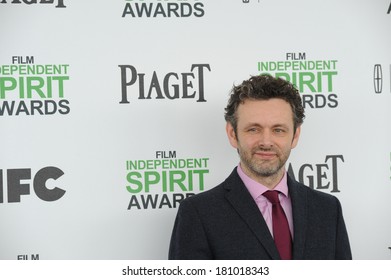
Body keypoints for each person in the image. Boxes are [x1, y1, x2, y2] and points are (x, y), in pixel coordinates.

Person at [168, 74, 352, 260]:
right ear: (232, 134)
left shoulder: (327, 210)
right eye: (253, 129)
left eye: (278, 130)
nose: (266, 142)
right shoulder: (198, 214)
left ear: (295, 136)